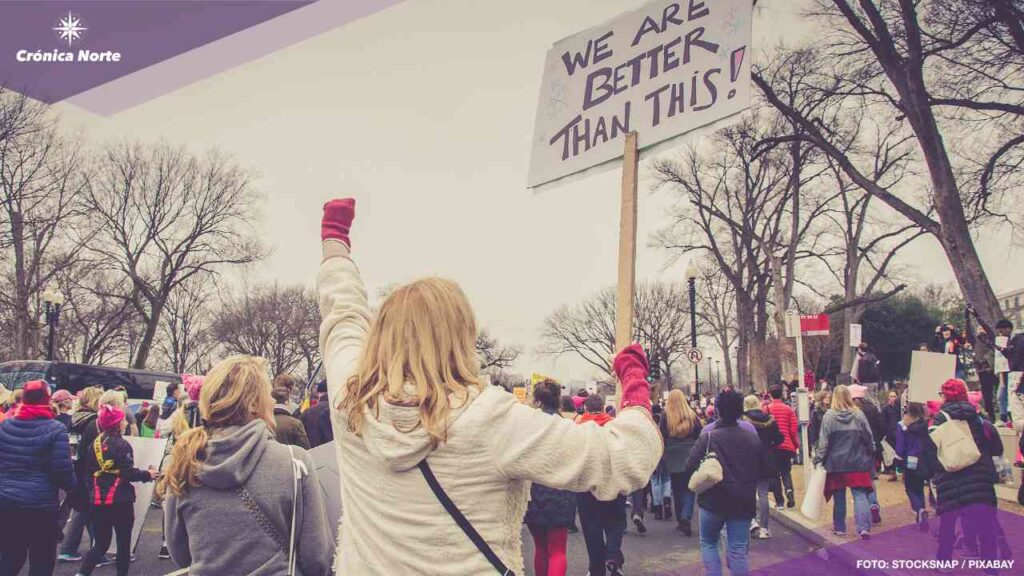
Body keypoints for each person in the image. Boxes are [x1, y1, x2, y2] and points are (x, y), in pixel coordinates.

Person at [317, 197, 661, 576]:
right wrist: (634, 384)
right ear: (461, 337)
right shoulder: (488, 418)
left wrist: (335, 243)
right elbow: (622, 459)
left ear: (380, 335)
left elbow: (342, 314)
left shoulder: (350, 400)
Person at [163, 355, 334, 576]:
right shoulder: (294, 462)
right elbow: (317, 557)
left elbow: (181, 554)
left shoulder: (185, 463)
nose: (273, 401)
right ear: (253, 404)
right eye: (268, 394)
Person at [682, 390, 767, 576]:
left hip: (713, 500)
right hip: (743, 500)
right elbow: (764, 470)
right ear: (740, 411)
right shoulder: (752, 438)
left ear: (718, 410)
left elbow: (688, 466)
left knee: (709, 543)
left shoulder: (709, 437)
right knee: (738, 549)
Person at [0, 380, 76, 576]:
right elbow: (62, 470)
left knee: (10, 555)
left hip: (7, 501)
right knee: (41, 559)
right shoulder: (56, 429)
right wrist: (72, 489)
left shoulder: (6, 426)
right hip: (40, 504)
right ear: (47, 400)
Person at [74, 405, 157, 576]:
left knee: (101, 543)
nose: (126, 422)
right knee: (123, 543)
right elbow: (128, 473)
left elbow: (88, 473)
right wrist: (148, 474)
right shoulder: (123, 445)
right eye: (124, 419)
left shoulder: (94, 444)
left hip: (98, 501)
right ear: (118, 424)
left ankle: (82, 573)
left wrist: (93, 492)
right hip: (120, 501)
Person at [930, 378, 1001, 573]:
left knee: (948, 525)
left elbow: (932, 448)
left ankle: (944, 562)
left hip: (951, 476)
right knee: (985, 527)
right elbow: (989, 446)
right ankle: (991, 565)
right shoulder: (977, 418)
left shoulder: (940, 418)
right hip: (978, 477)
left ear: (946, 395)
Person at [524, 381, 576, 576]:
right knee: (557, 551)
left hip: (534, 489)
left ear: (538, 401)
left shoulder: (529, 427)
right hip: (561, 490)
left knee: (540, 549)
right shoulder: (567, 427)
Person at [815, 385, 875, 539]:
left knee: (839, 496)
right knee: (860, 495)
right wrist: (870, 452)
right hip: (857, 460)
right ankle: (863, 528)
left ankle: (840, 527)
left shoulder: (829, 416)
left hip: (836, 463)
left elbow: (823, 443)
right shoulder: (858, 414)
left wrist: (818, 458)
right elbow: (868, 437)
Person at [60, 386, 107, 564]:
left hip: (73, 467)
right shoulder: (93, 422)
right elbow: (96, 449)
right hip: (87, 471)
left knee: (84, 510)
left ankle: (95, 550)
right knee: (86, 510)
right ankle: (79, 549)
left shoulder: (74, 418)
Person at [743, 394, 784, 539]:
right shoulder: (769, 419)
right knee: (763, 494)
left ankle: (752, 521)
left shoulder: (743, 421)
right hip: (766, 457)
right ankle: (764, 528)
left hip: (748, 459)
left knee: (748, 492)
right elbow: (779, 438)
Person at [661, 389, 702, 536]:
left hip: (673, 456)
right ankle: (686, 516)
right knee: (690, 489)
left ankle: (680, 519)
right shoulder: (692, 416)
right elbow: (700, 435)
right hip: (690, 454)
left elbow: (662, 436)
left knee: (676, 489)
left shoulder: (666, 417)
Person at [894, 402, 935, 531]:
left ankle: (919, 509)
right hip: (922, 458)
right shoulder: (924, 425)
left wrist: (898, 460)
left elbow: (900, 446)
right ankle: (921, 512)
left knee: (910, 487)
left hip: (910, 459)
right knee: (918, 486)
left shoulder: (903, 425)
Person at [850, 384, 884, 523]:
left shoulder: (849, 412)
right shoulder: (872, 409)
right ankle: (874, 503)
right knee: (870, 479)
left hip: (854, 451)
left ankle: (864, 513)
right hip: (871, 449)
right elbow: (881, 427)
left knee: (858, 485)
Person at [765, 385, 799, 510]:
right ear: (781, 394)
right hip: (786, 445)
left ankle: (779, 501)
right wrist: (796, 445)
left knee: (774, 475)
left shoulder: (766, 409)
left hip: (772, 446)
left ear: (770, 394)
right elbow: (793, 430)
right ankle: (789, 491)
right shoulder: (789, 410)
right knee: (786, 472)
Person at [301, 381, 334, 449]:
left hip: (314, 453)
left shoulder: (307, 412)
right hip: (333, 452)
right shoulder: (336, 409)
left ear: (319, 393)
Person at [881, 390, 902, 481]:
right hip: (889, 434)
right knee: (891, 454)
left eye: (894, 396)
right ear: (888, 398)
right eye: (891, 396)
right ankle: (892, 473)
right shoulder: (885, 409)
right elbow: (883, 421)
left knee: (900, 453)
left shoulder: (899, 408)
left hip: (898, 433)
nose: (892, 398)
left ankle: (903, 472)